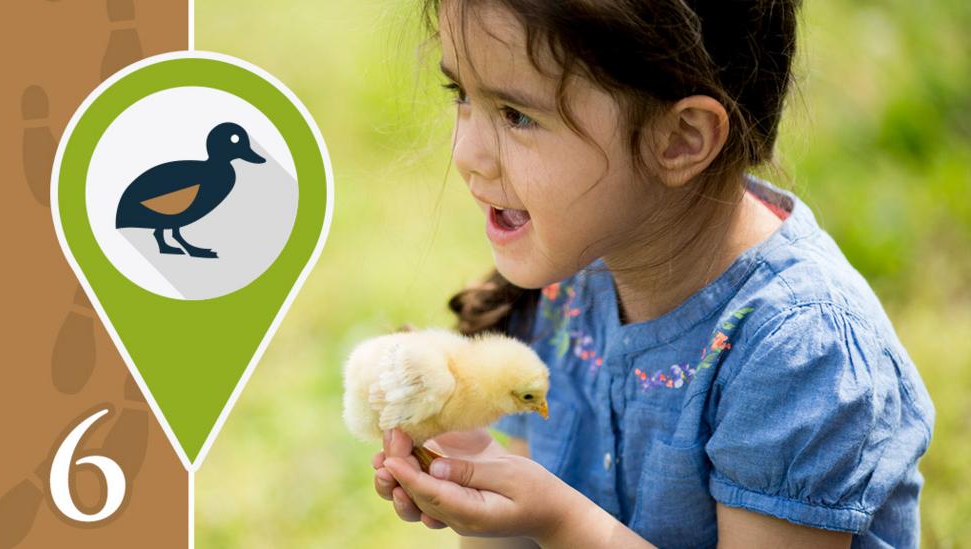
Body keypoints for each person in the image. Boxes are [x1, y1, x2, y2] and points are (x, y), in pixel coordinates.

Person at [370, 0, 935, 546]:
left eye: (517, 115)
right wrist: (476, 474)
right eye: (461, 94)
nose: (466, 151)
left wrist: (559, 522)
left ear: (681, 138)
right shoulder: (572, 274)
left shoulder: (797, 351)